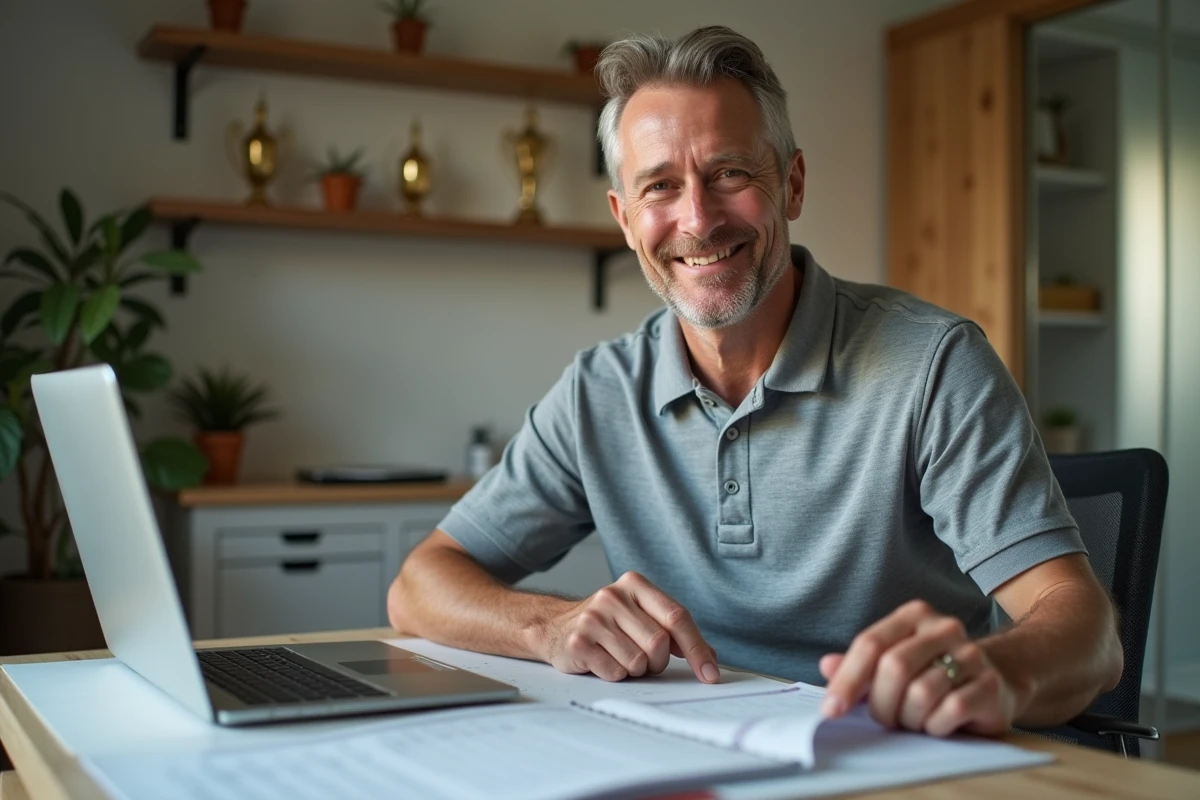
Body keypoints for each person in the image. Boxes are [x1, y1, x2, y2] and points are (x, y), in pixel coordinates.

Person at [387, 26, 1122, 738]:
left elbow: (1085, 631)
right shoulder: (597, 392)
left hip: (885, 757)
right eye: (659, 187)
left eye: (730, 173)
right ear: (623, 217)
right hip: (676, 757)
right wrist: (548, 626)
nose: (698, 219)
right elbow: (419, 586)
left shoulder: (934, 366)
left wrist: (988, 673)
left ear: (792, 184)